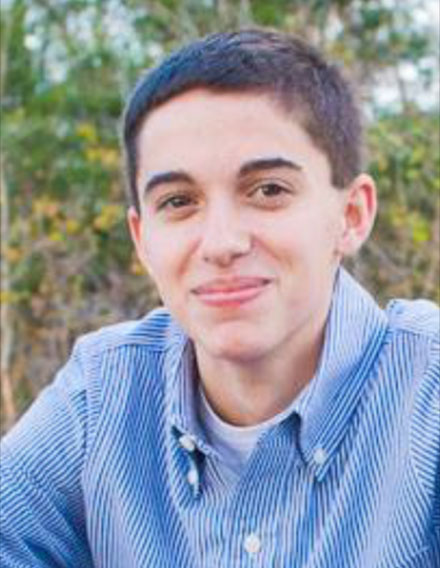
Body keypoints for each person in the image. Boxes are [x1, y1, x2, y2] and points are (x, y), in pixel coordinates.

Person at [1, 29, 439, 568]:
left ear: (351, 214)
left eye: (268, 190)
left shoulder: (427, 398)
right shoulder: (102, 395)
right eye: (178, 201)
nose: (221, 243)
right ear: (142, 239)